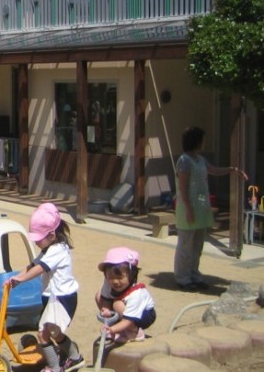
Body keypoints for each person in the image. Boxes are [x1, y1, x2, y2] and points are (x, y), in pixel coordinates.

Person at [6, 202, 84, 372]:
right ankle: (72, 357)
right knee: (52, 333)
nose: (36, 243)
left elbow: (39, 269)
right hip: (52, 298)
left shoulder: (57, 250)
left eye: (38, 239)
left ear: (52, 234)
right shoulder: (48, 249)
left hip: (62, 298)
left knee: (44, 334)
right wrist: (15, 277)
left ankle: (57, 366)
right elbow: (32, 265)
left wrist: (21, 280)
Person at [174, 126, 247, 291]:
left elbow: (213, 170)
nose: (204, 142)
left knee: (197, 245)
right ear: (196, 141)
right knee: (185, 245)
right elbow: (183, 188)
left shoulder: (200, 159)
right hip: (188, 209)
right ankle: (182, 278)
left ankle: (194, 275)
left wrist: (232, 170)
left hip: (201, 208)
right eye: (203, 139)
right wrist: (189, 210)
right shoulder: (184, 161)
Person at [95, 247, 156, 343]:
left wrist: (111, 330)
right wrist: (107, 311)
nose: (115, 281)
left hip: (143, 315)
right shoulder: (108, 283)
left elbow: (129, 320)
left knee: (117, 304)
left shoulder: (137, 293)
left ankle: (135, 333)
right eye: (110, 277)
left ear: (131, 275)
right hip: (124, 309)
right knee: (99, 296)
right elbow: (105, 299)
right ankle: (120, 329)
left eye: (120, 277)